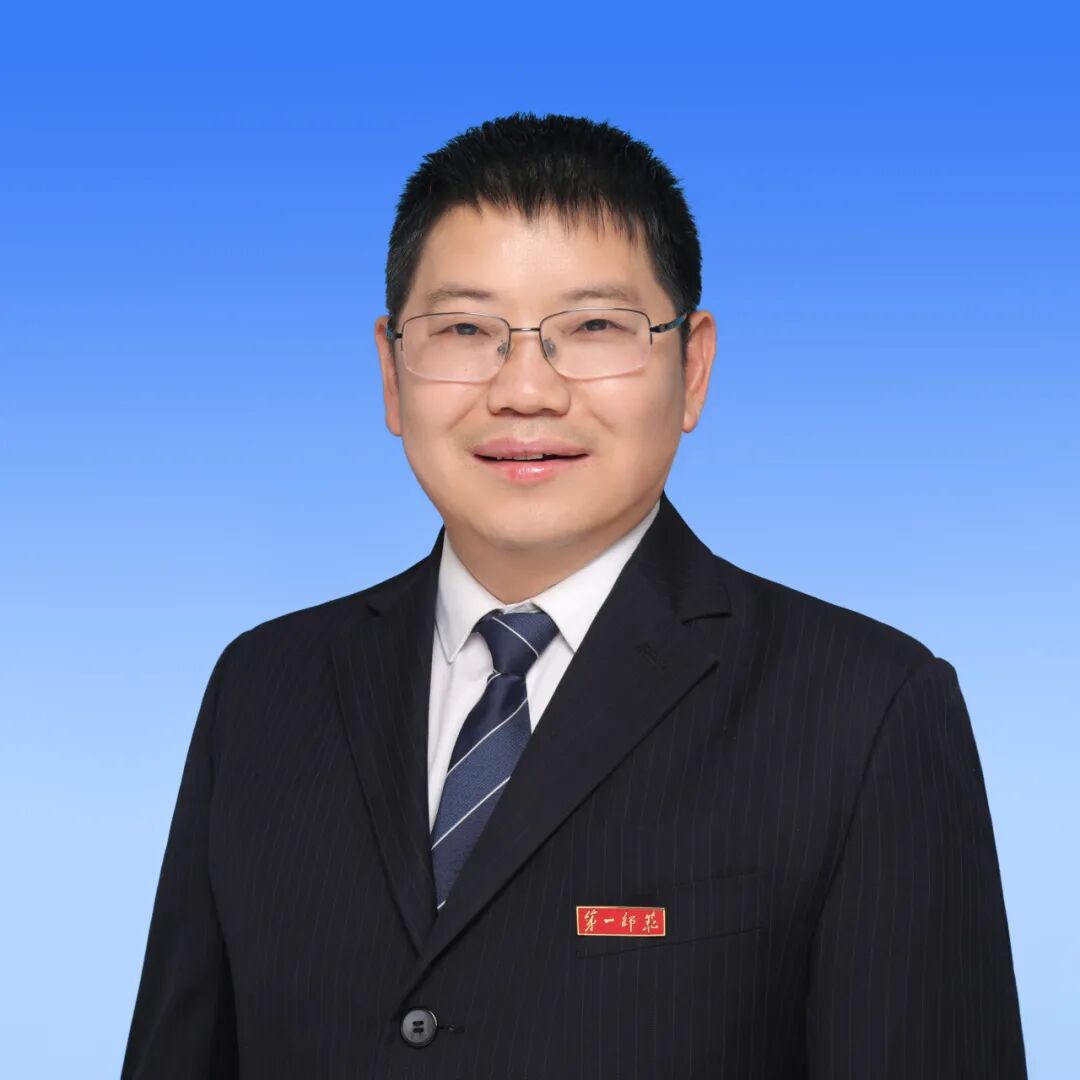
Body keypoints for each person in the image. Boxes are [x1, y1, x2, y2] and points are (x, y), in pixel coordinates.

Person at [122, 112, 1027, 1078]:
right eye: (465, 330)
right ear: (391, 370)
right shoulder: (265, 687)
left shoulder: (865, 709)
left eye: (594, 328)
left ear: (693, 368)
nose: (525, 391)